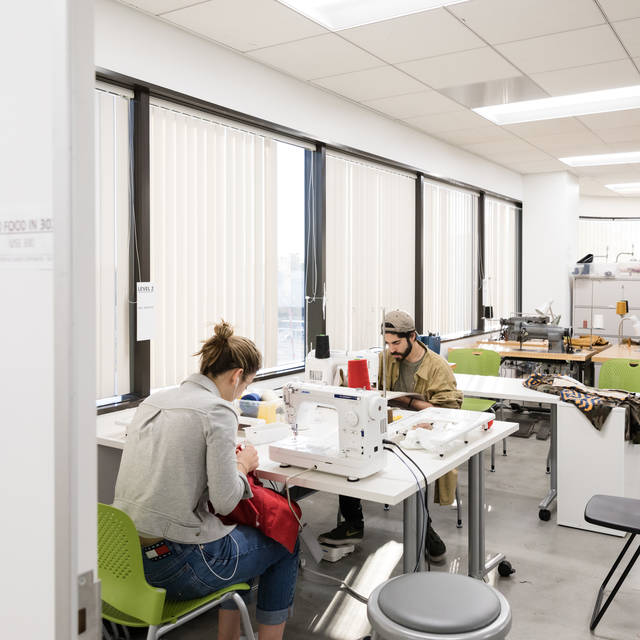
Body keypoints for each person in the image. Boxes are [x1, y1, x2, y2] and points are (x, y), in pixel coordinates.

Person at [113, 321, 298, 640]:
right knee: (286, 539)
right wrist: (241, 464)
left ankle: (227, 636)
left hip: (124, 559)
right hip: (177, 565)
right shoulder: (218, 411)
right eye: (244, 386)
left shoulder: (153, 401)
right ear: (237, 375)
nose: (239, 395)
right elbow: (226, 499)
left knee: (241, 534)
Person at [318, 310, 463, 563]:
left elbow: (447, 412)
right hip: (393, 427)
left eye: (396, 343)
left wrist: (406, 401)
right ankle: (353, 523)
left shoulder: (437, 366)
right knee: (351, 452)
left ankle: (424, 529)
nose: (391, 349)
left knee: (415, 471)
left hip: (424, 436)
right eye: (387, 343)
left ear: (413, 337)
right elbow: (380, 396)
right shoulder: (386, 359)